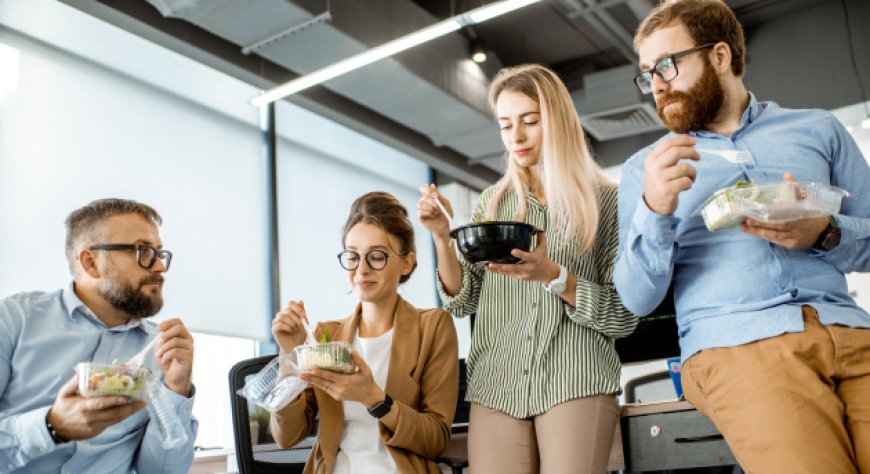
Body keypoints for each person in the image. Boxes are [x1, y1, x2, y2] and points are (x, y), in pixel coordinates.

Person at [614, 0, 870, 472]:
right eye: (647, 72)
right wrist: (655, 208)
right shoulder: (646, 170)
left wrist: (825, 231)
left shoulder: (819, 129)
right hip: (738, 346)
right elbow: (635, 298)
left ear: (719, 56)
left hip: (852, 332)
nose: (657, 84)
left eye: (667, 64)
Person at [417, 64, 637, 474]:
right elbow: (462, 301)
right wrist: (441, 238)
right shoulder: (492, 205)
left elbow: (623, 315)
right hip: (497, 386)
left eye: (529, 122)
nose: (515, 137)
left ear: (556, 122)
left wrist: (555, 276)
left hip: (575, 380)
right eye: (505, 125)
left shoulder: (607, 202)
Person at [0, 198, 197, 473]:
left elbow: (161, 471)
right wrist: (51, 426)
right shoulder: (12, 320)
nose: (159, 267)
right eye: (143, 251)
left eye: (160, 254)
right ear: (91, 262)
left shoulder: (162, 351)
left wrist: (176, 388)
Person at [271, 191, 459, 473]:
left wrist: (374, 398)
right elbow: (286, 437)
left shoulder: (432, 327)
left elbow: (436, 440)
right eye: (353, 256)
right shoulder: (327, 335)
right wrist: (290, 356)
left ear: (406, 263)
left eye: (377, 257)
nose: (362, 269)